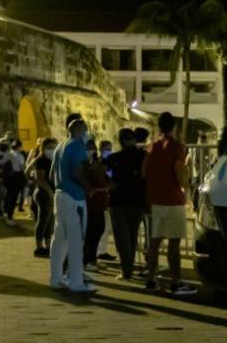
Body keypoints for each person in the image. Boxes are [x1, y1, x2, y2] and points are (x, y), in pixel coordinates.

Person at [143, 112, 197, 296]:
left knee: (155, 242)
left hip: (156, 199)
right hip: (173, 199)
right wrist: (187, 172)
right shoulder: (176, 147)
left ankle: (150, 279)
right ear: (173, 126)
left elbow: (144, 172)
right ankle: (175, 281)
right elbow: (180, 175)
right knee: (174, 244)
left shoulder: (152, 147)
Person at [49, 115, 96, 292]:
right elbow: (78, 172)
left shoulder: (60, 146)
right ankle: (76, 282)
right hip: (75, 197)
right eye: (84, 130)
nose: (86, 133)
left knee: (59, 239)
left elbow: (52, 173)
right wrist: (88, 188)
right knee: (76, 241)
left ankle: (56, 278)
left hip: (60, 195)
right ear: (79, 130)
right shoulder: (77, 146)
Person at [106, 128, 147, 280]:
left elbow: (102, 171)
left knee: (122, 237)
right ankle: (129, 265)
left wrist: (110, 185)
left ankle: (127, 270)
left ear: (120, 141)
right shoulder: (143, 156)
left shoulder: (115, 157)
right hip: (138, 201)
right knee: (132, 234)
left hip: (118, 201)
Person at [27, 137, 58, 256]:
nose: (52, 149)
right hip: (44, 193)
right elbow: (40, 178)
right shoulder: (41, 160)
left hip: (48, 192)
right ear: (43, 148)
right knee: (43, 220)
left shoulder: (52, 159)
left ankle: (48, 245)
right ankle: (39, 247)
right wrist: (50, 192)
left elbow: (28, 172)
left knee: (50, 221)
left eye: (54, 147)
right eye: (49, 147)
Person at [83, 142, 110, 272]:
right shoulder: (84, 165)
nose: (90, 151)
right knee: (90, 232)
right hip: (90, 203)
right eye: (88, 148)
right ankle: (87, 260)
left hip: (100, 202)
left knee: (99, 229)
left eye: (92, 148)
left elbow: (106, 179)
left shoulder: (98, 163)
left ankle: (92, 259)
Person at [3, 139, 28, 225]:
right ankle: (10, 216)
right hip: (17, 178)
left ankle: (6, 212)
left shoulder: (8, 154)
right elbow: (22, 167)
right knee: (14, 197)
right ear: (19, 147)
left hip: (8, 178)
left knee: (9, 195)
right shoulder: (19, 156)